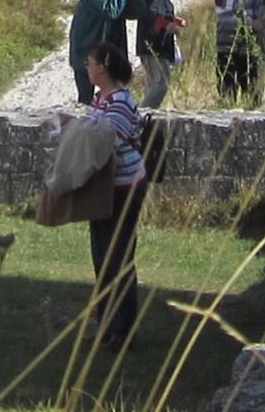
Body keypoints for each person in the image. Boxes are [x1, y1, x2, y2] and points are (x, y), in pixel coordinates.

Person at [82, 41, 147, 349]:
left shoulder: (119, 101)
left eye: (90, 62)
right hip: (104, 187)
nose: (87, 67)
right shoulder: (100, 99)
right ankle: (106, 326)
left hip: (123, 187)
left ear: (102, 67)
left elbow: (109, 140)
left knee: (118, 257)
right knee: (102, 258)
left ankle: (123, 330)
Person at [70, 0, 138, 104]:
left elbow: (136, 13)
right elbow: (110, 11)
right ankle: (86, 125)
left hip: (111, 52)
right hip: (86, 50)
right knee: (86, 99)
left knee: (115, 95)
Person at [135, 0, 186, 109]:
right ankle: (141, 116)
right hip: (154, 46)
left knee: (154, 84)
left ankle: (145, 117)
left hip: (152, 46)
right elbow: (154, 14)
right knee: (161, 84)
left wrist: (174, 19)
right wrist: (167, 25)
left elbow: (158, 13)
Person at [213, 0, 258, 100]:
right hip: (227, 49)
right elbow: (238, 3)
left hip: (248, 50)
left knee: (253, 93)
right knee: (227, 93)